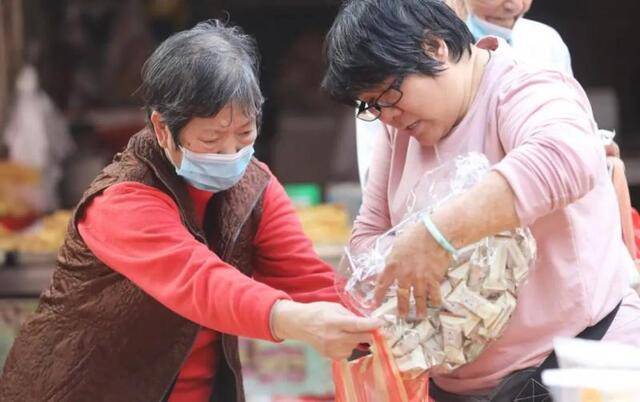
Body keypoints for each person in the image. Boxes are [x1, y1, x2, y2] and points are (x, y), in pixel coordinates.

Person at [0, 20, 381, 402]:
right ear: (163, 130)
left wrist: (379, 329)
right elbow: (200, 282)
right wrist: (298, 321)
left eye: (245, 134)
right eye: (211, 139)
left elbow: (307, 279)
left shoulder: (255, 186)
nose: (230, 153)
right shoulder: (120, 199)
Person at [322, 0, 640, 400]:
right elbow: (369, 235)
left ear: (434, 48)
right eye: (372, 105)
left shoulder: (523, 87)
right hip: (457, 386)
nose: (387, 115)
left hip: (574, 368)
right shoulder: (396, 130)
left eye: (388, 94)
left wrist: (436, 235)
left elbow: (567, 157)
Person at [356, 0, 572, 187]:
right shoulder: (387, 72)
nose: (514, 5)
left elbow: (564, 154)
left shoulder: (546, 44)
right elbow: (378, 195)